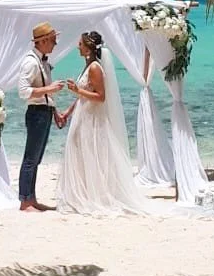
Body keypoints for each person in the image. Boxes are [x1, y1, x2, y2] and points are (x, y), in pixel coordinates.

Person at [57, 30, 151, 215]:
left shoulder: (95, 68)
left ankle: (94, 196)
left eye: (81, 44)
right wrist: (68, 111)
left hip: (92, 119)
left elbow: (101, 97)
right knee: (80, 153)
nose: (78, 47)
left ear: (89, 48)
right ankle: (83, 194)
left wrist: (77, 90)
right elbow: (84, 96)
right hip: (82, 116)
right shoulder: (87, 65)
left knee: (92, 155)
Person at [17, 21, 65, 212]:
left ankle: (32, 198)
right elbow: (23, 91)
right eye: (53, 40)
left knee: (36, 158)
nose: (55, 44)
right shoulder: (30, 62)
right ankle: (25, 200)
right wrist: (50, 89)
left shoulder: (42, 60)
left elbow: (45, 94)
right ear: (43, 41)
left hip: (44, 111)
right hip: (36, 113)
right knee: (30, 158)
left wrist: (54, 111)